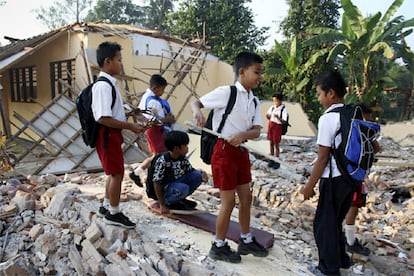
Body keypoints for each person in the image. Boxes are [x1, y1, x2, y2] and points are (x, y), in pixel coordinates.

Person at [191, 52, 268, 263]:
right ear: (242, 72)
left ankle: (245, 239)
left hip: (241, 151)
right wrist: (198, 113)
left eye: (261, 73)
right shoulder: (227, 92)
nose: (259, 77)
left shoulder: (253, 100)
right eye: (257, 72)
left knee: (246, 198)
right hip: (223, 151)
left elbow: (257, 131)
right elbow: (196, 103)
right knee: (228, 202)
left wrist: (243, 135)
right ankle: (218, 245)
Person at [300, 70, 354, 275]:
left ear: (331, 93)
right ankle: (342, 260)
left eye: (319, 94)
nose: (318, 98)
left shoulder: (328, 118)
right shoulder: (352, 113)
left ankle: (328, 269)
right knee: (335, 221)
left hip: (334, 179)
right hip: (351, 179)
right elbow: (374, 147)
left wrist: (308, 187)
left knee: (324, 226)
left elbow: (323, 158)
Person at [92, 41, 146, 229]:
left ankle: (106, 206)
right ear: (108, 61)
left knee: (113, 172)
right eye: (119, 60)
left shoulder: (110, 84)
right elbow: (102, 117)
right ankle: (114, 213)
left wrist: (132, 113)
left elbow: (113, 111)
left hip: (111, 134)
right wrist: (130, 126)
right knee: (117, 173)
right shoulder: (103, 86)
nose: (121, 64)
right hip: (107, 134)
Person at [344, 103, 381, 256]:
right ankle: (350, 241)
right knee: (353, 207)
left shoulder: (346, 126)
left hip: (343, 173)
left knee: (344, 207)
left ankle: (344, 237)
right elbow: (376, 148)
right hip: (356, 175)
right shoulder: (362, 129)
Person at [129, 74, 176, 187]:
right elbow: (152, 120)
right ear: (155, 88)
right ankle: (143, 175)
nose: (163, 92)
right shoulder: (152, 101)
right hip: (155, 130)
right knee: (159, 155)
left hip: (155, 130)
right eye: (162, 89)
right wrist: (167, 119)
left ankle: (140, 174)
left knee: (158, 155)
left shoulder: (148, 97)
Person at [152, 130, 208, 214]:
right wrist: (162, 205)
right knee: (183, 188)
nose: (187, 148)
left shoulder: (181, 157)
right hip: (165, 191)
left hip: (176, 185)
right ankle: (170, 202)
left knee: (197, 176)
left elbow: (190, 170)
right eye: (185, 145)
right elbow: (156, 183)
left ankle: (179, 200)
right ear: (176, 148)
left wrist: (202, 173)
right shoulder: (163, 161)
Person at [266, 93, 288, 158]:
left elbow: (284, 121)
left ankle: (277, 157)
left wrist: (278, 117)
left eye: (276, 101)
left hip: (277, 126)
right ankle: (271, 156)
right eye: (274, 101)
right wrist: (267, 116)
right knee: (271, 142)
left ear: (280, 101)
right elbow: (269, 116)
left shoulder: (283, 109)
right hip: (271, 124)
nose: (275, 102)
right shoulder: (272, 107)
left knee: (276, 143)